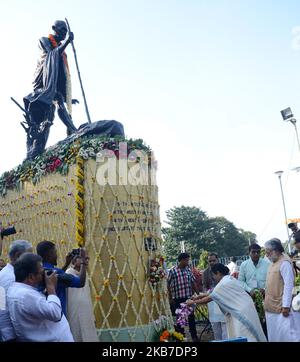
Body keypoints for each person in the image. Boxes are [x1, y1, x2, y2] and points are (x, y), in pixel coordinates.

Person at [23, 20, 78, 159]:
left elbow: (60, 75)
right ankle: (36, 149)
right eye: (62, 30)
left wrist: (68, 97)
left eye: (66, 31)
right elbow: (51, 55)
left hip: (53, 88)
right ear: (54, 28)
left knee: (54, 108)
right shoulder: (44, 41)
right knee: (46, 119)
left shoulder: (62, 51)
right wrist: (67, 42)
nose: (64, 33)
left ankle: (72, 130)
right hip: (42, 85)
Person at [187, 263, 267, 342]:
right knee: (251, 333)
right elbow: (213, 294)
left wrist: (193, 302)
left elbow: (210, 298)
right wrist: (199, 296)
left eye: (213, 275)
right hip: (247, 308)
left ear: (218, 273)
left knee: (245, 335)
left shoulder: (222, 284)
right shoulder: (230, 279)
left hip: (240, 313)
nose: (213, 278)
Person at [7, 252, 74, 342]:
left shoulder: (15, 289)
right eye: (41, 273)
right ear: (31, 277)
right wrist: (51, 287)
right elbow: (56, 314)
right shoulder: (26, 296)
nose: (44, 275)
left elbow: (38, 306)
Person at [36, 241, 87, 315]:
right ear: (49, 255)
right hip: (58, 317)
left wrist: (66, 264)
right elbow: (80, 283)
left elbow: (59, 278)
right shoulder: (56, 273)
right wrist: (83, 261)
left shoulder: (39, 271)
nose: (57, 255)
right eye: (55, 252)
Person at [264, 238, 300, 342]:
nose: (266, 255)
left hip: (281, 308)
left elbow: (289, 286)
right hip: (271, 307)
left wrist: (285, 306)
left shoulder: (284, 263)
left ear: (276, 250)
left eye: (268, 252)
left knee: (286, 336)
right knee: (275, 336)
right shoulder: (273, 263)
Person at [0, 240, 33, 341]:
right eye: (29, 256)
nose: (32, 260)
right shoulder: (10, 277)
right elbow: (5, 308)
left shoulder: (7, 273)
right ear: (18, 255)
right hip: (12, 334)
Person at [167, 252, 199, 342]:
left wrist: (198, 294)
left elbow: (193, 283)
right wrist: (170, 298)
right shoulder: (173, 271)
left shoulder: (188, 270)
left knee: (191, 318)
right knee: (180, 320)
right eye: (186, 260)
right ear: (181, 260)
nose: (188, 262)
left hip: (189, 299)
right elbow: (167, 284)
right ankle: (181, 338)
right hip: (178, 299)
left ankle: (194, 336)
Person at [66, 255, 98, 342]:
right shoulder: (69, 273)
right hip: (75, 313)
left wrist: (92, 316)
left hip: (86, 313)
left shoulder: (84, 274)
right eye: (83, 258)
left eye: (87, 258)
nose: (86, 260)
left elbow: (87, 295)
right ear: (74, 261)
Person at [202, 252, 227, 340]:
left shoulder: (223, 270)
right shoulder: (205, 272)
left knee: (225, 324)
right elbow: (204, 286)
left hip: (222, 300)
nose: (212, 262)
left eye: (214, 260)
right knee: (215, 325)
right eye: (210, 261)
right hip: (211, 300)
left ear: (218, 260)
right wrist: (208, 292)